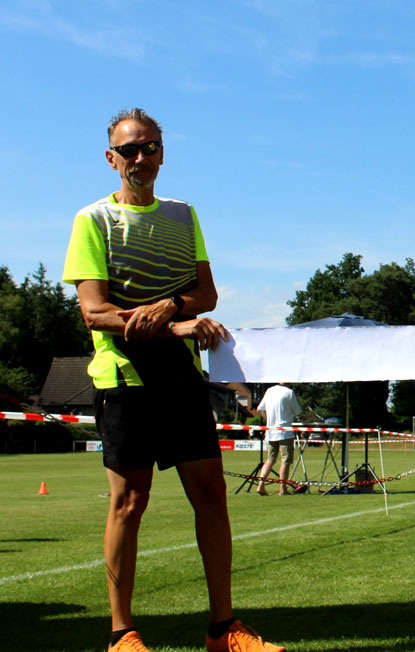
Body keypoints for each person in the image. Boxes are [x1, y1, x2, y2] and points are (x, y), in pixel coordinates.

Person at [62, 108, 284, 652]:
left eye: (152, 148)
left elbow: (206, 294)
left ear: (163, 153)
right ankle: (122, 634)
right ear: (111, 158)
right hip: (124, 378)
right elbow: (94, 312)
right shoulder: (92, 220)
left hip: (181, 377)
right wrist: (176, 321)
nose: (142, 159)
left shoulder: (184, 215)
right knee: (129, 503)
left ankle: (223, 629)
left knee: (211, 494)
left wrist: (171, 308)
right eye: (131, 150)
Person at [250, 384, 303, 495]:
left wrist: (268, 421)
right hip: (285, 432)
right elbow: (298, 412)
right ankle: (282, 489)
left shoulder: (270, 390)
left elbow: (260, 409)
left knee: (270, 459)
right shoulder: (289, 393)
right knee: (286, 461)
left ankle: (261, 485)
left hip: (271, 431)